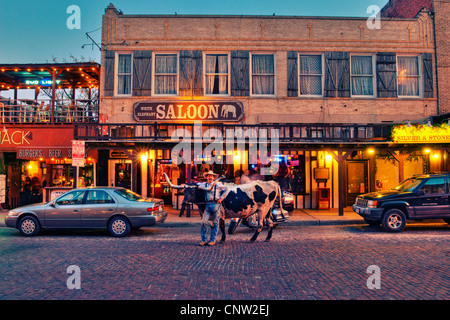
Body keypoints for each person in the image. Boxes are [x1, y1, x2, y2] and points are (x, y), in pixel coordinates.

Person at [198, 170, 229, 246]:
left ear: (214, 177)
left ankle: (212, 240)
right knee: (204, 222)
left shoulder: (218, 184)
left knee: (215, 223)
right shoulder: (203, 184)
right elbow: (195, 185)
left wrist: (221, 198)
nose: (210, 177)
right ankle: (204, 240)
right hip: (207, 205)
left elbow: (227, 189)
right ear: (206, 177)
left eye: (211, 176)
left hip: (216, 205)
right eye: (208, 176)